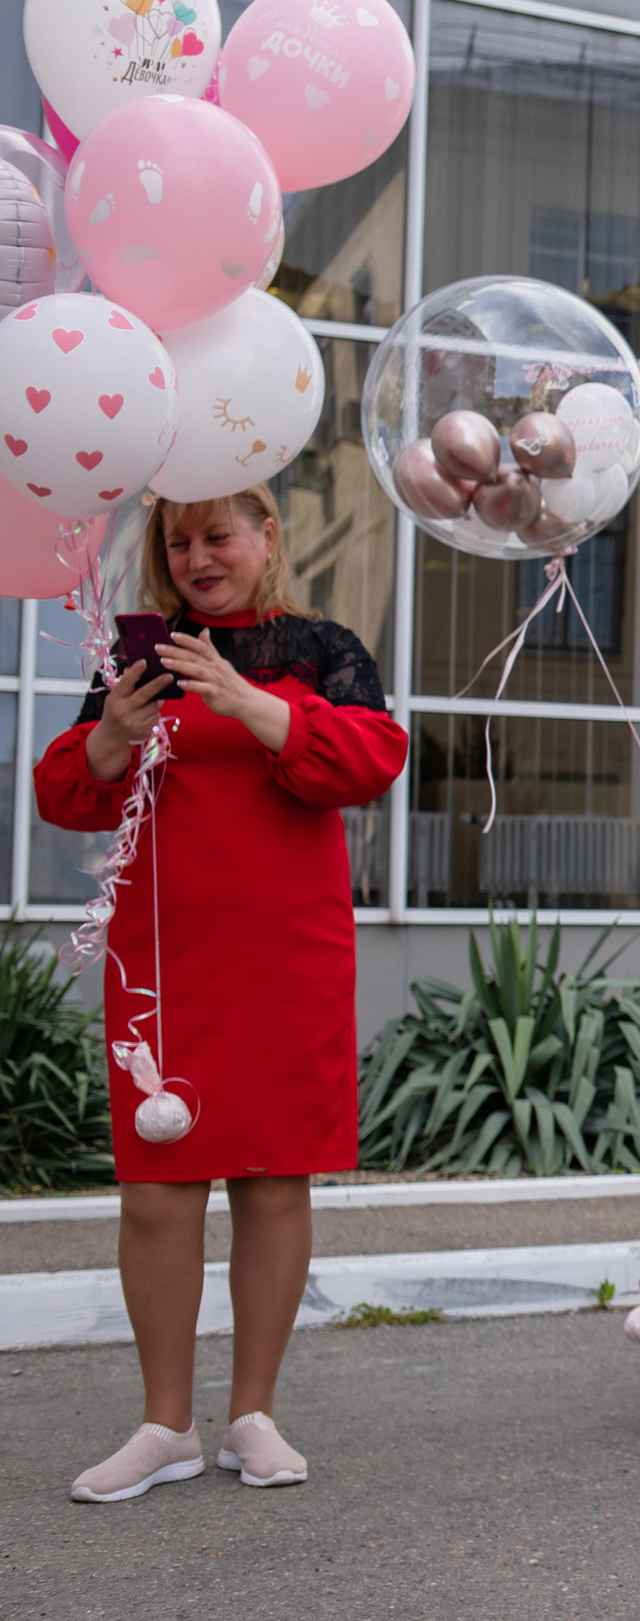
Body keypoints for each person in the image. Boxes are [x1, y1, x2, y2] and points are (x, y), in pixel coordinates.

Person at [37, 484, 408, 1501]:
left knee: (274, 1180)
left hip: (288, 957)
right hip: (165, 962)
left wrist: (246, 699)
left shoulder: (323, 649)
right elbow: (67, 791)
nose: (198, 555)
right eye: (179, 540)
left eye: (218, 535)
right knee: (158, 1193)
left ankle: (253, 1415)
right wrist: (115, 728)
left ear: (267, 535)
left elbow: (371, 757)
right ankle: (164, 1426)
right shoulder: (140, 661)